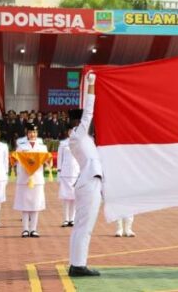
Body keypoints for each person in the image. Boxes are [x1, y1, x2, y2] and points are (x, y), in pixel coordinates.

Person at [67, 72, 103, 277]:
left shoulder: (85, 139)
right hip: (88, 182)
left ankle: (77, 263)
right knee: (84, 226)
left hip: (91, 182)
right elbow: (89, 112)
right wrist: (92, 85)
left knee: (83, 225)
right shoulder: (78, 137)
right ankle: (78, 265)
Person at [13, 123, 49, 238]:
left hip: (37, 179)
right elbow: (16, 161)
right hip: (24, 179)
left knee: (35, 204)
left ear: (37, 133)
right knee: (25, 205)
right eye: (30, 132)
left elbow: (47, 161)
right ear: (27, 134)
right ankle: (25, 229)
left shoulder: (43, 147)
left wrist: (48, 162)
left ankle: (33, 229)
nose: (32, 134)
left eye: (34, 132)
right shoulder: (21, 147)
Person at [57, 126, 80, 227]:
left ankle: (73, 218)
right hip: (65, 173)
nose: (72, 132)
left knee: (75, 197)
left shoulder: (79, 144)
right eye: (71, 130)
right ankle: (66, 219)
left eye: (74, 131)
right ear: (68, 131)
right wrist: (59, 172)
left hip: (76, 173)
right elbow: (59, 159)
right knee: (66, 197)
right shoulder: (63, 144)